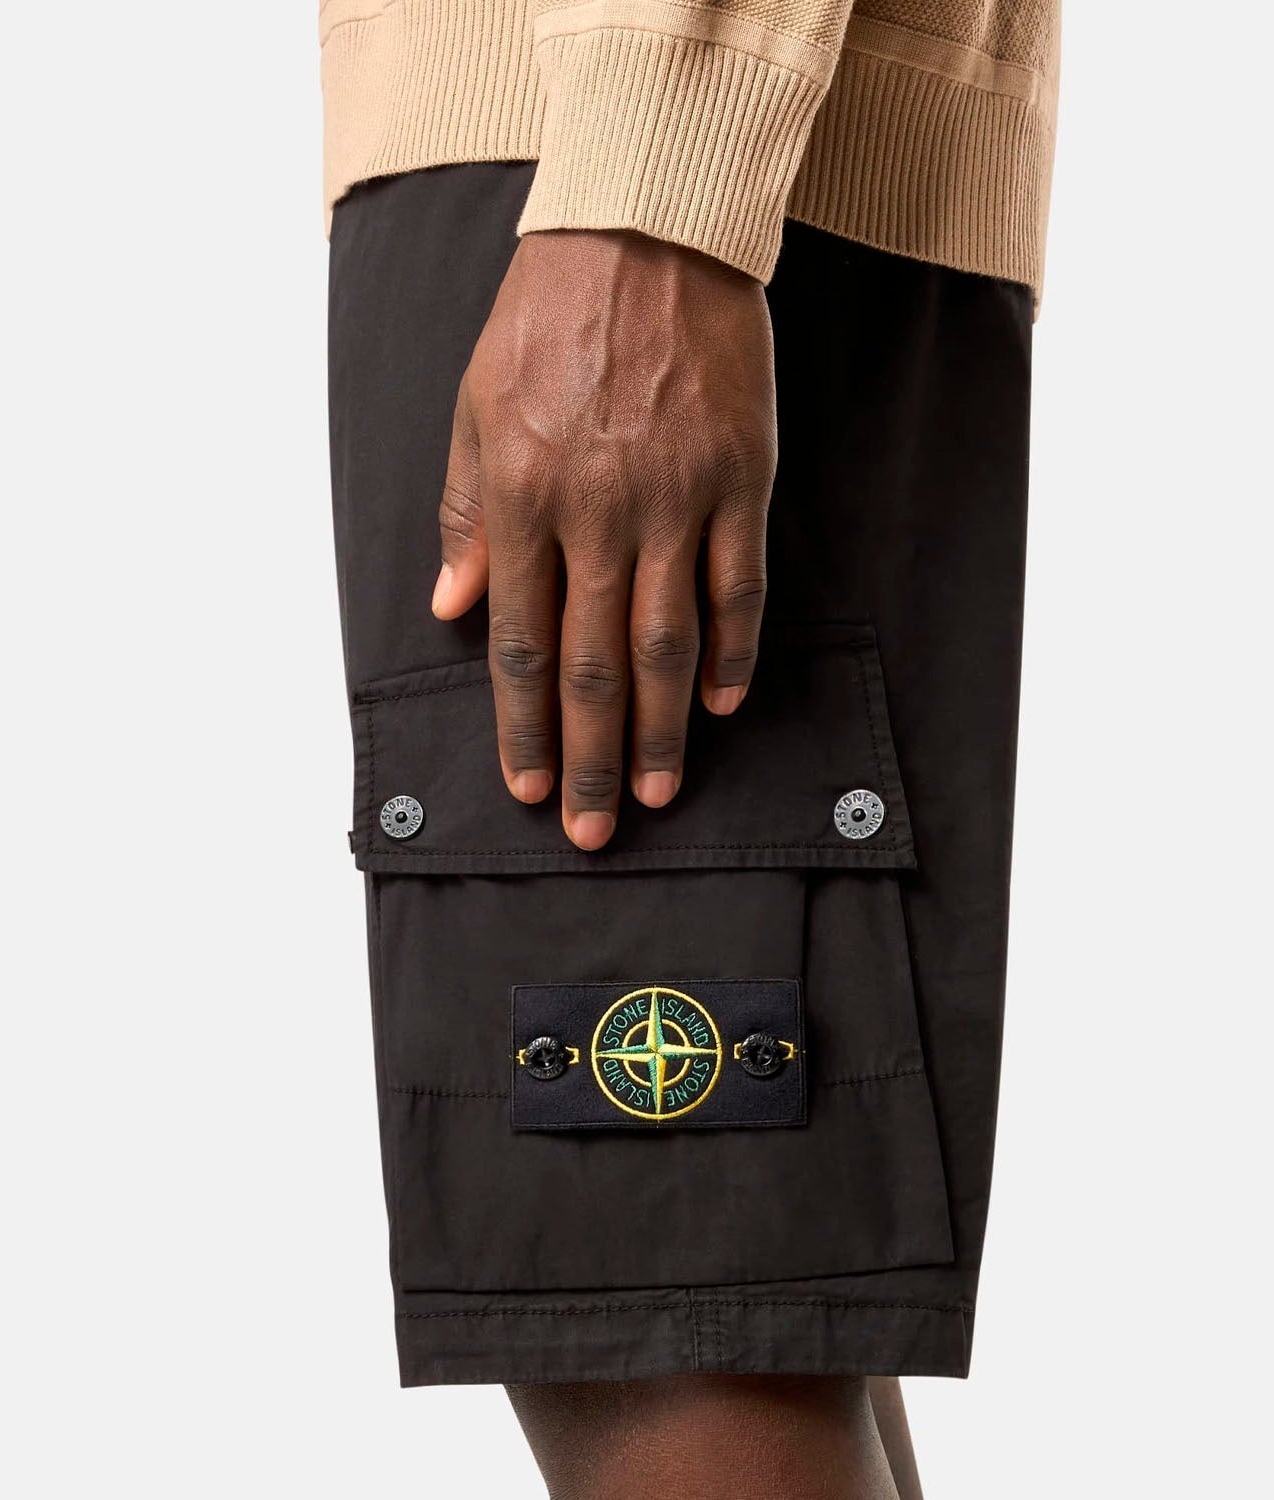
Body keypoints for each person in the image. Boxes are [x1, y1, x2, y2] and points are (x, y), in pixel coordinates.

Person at [320, 1, 1059, 1492]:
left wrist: (650, 184)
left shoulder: (637, 189)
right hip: (648, 167)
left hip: (611, 191)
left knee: (673, 1335)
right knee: (734, 1312)